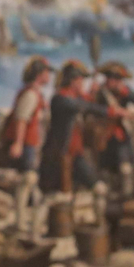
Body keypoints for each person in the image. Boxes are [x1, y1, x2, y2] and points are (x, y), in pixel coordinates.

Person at [39, 60, 116, 230]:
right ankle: (33, 231)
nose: (83, 83)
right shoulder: (60, 99)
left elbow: (87, 102)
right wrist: (108, 111)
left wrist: (94, 92)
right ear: (73, 81)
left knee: (99, 189)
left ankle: (99, 227)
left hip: (76, 156)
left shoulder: (75, 97)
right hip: (60, 158)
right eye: (81, 80)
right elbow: (83, 106)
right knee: (53, 199)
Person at [1, 56, 52, 237]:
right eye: (47, 73)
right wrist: (18, 143)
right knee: (27, 182)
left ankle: (27, 222)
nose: (50, 76)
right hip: (27, 144)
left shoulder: (36, 93)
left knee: (31, 183)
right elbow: (21, 120)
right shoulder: (30, 94)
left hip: (33, 143)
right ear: (39, 75)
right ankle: (21, 222)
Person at [92, 61, 134, 198]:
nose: (113, 82)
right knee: (105, 173)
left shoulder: (124, 91)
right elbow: (93, 110)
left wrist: (124, 91)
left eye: (117, 79)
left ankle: (127, 196)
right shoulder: (100, 93)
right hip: (104, 136)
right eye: (111, 78)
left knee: (126, 169)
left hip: (120, 136)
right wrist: (113, 111)